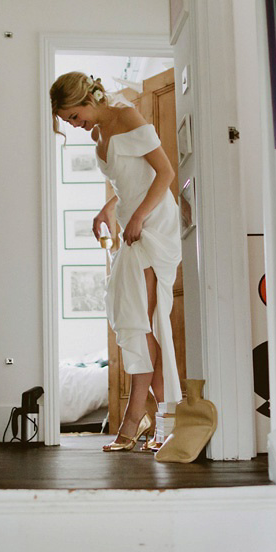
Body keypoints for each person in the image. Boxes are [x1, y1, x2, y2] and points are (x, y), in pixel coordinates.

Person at [50, 72, 182, 452]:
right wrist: (107, 209)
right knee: (135, 318)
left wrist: (138, 216)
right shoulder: (98, 133)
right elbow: (128, 181)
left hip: (154, 223)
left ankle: (144, 420)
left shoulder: (127, 117)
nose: (75, 127)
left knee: (144, 321)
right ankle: (155, 420)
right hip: (133, 220)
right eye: (68, 122)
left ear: (88, 100)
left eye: (74, 117)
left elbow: (165, 173)